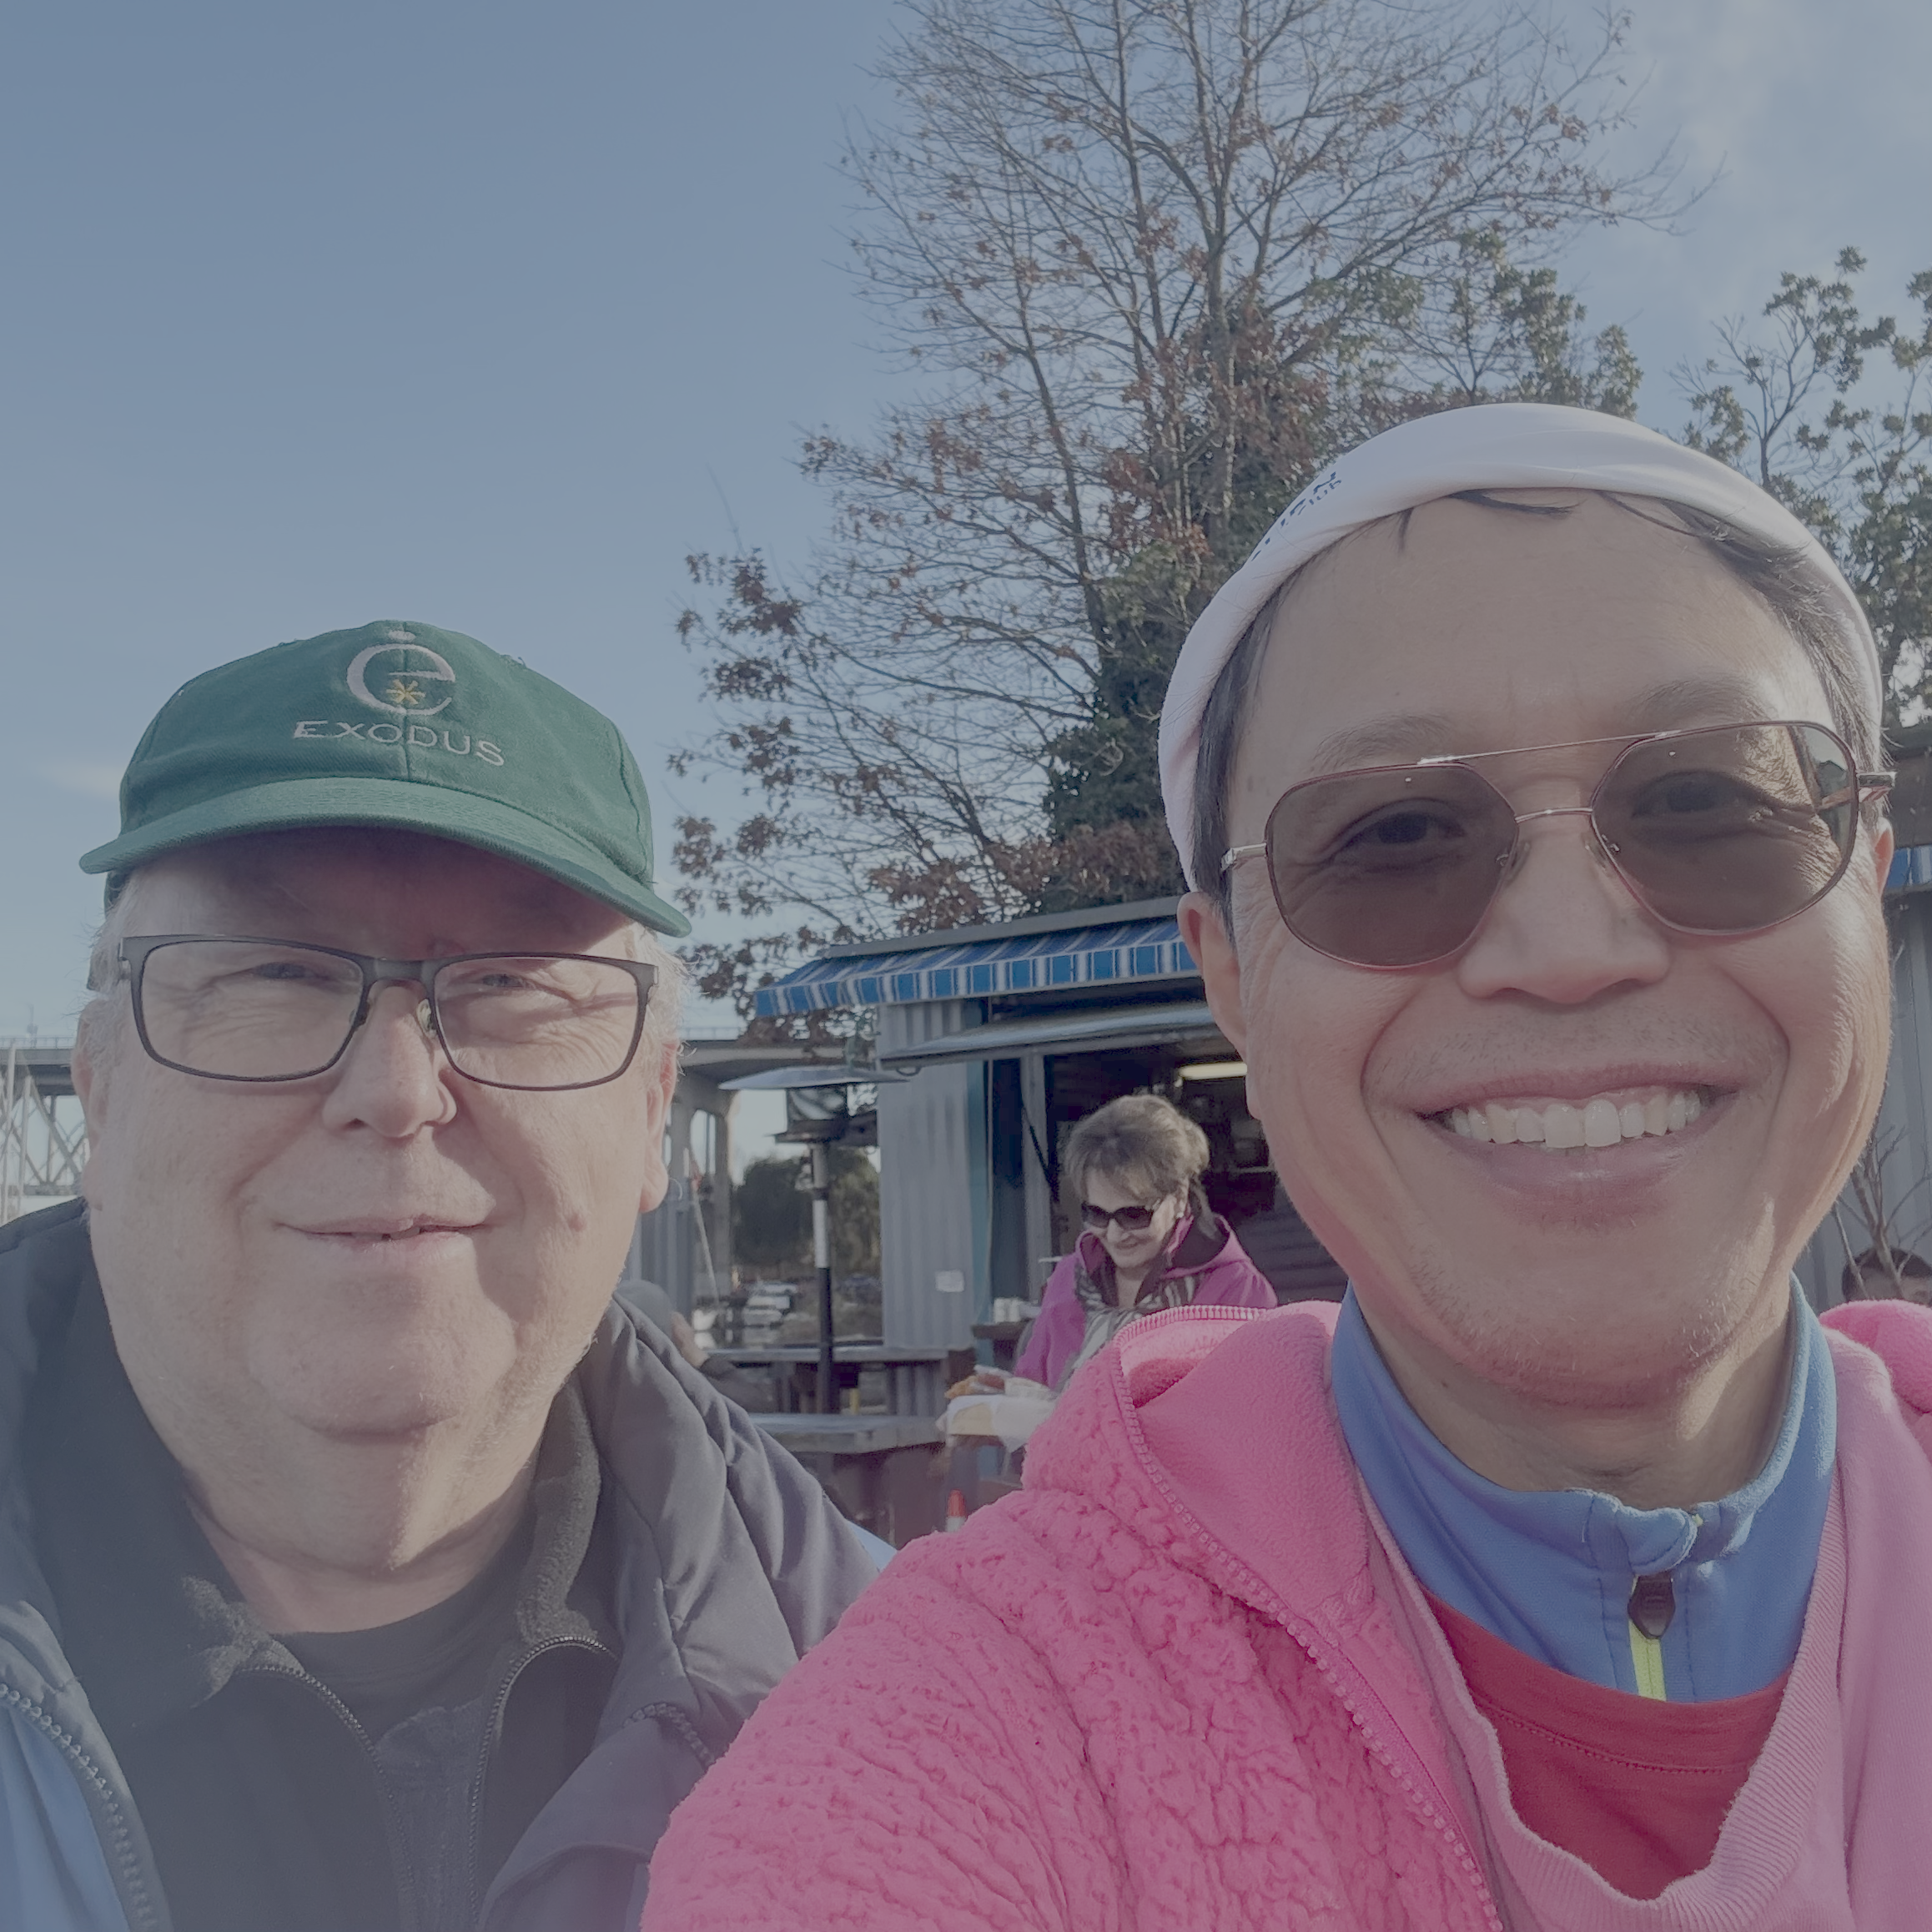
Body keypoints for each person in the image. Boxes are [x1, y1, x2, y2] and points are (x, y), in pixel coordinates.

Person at [644, 403, 1932, 1929]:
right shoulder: (967, 1732)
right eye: (1390, 836)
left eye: (1710, 799)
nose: (1568, 947)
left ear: (1865, 882)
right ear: (1232, 979)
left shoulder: (1227, 1287)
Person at [0, 621, 877, 1932]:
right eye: (276, 975)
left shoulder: (919, 1688)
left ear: (651, 1111)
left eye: (515, 985)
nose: (399, 1091)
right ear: (101, 1088)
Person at [1014, 1093, 1274, 1389]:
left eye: (1134, 1215)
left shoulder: (1237, 1291)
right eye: (1097, 1213)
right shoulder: (1068, 1278)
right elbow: (1030, 1386)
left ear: (1179, 1197)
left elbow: (1251, 1400)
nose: (1114, 1235)